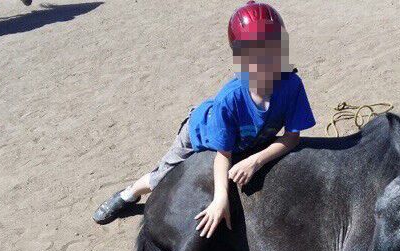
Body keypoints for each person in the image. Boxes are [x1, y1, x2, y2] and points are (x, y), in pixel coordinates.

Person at [92, 1, 316, 238]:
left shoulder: (292, 85)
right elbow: (223, 156)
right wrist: (220, 198)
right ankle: (130, 192)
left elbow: (292, 138)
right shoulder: (230, 99)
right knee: (163, 179)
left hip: (249, 140)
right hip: (201, 135)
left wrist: (255, 161)